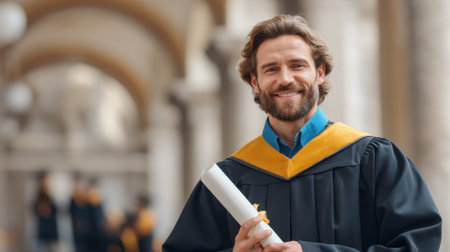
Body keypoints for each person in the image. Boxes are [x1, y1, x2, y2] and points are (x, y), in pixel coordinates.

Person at [162, 15, 442, 252]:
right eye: (271, 69)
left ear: (320, 72)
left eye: (297, 65)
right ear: (254, 82)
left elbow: (416, 244)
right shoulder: (231, 179)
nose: (285, 79)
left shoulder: (374, 160)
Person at [32, 171, 59, 252]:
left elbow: (54, 210)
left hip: (51, 232)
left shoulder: (51, 197)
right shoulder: (38, 196)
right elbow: (35, 210)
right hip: (42, 232)